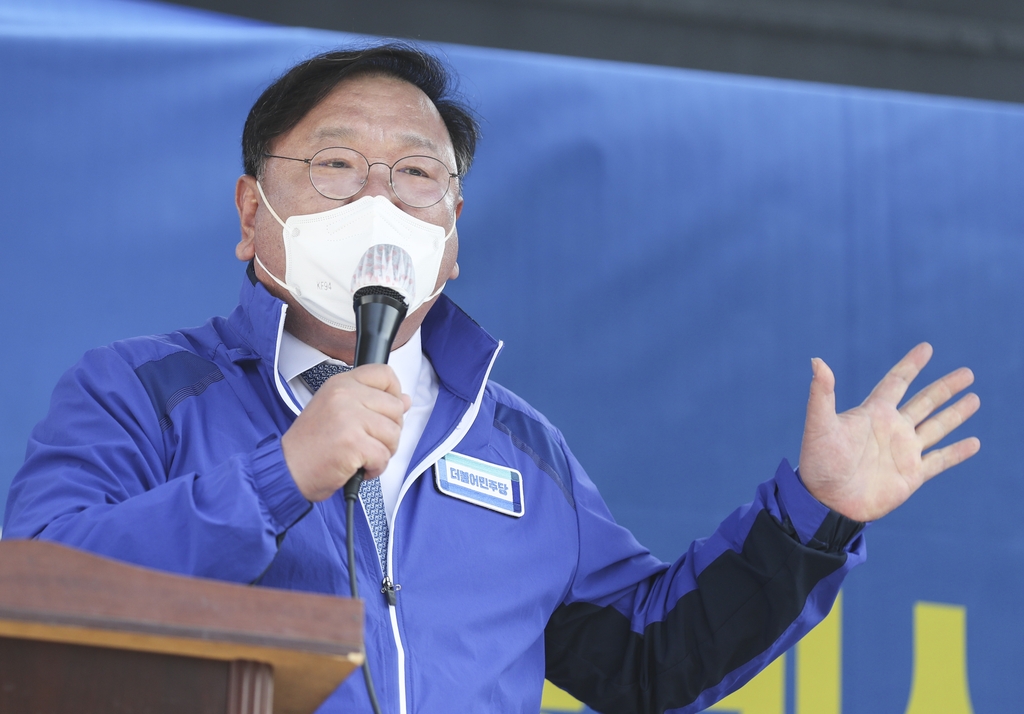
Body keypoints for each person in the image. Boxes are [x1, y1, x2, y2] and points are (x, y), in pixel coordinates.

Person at [2, 44, 980, 713]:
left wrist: (814, 514)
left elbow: (645, 660)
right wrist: (280, 473)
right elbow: (37, 588)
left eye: (417, 176)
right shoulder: (137, 392)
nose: (379, 200)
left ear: (454, 235)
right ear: (252, 212)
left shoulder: (516, 446)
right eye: (337, 165)